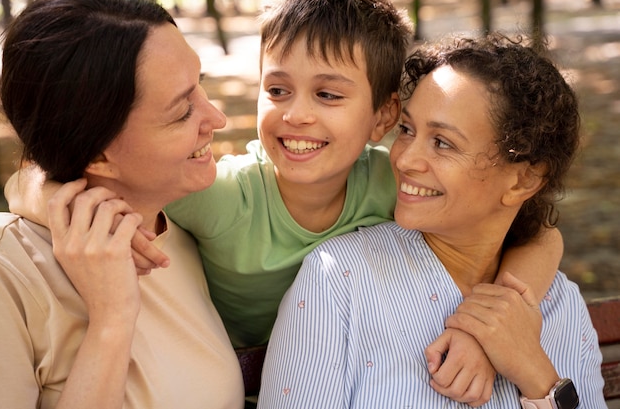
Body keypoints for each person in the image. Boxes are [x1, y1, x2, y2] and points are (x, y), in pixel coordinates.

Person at [5, 0, 564, 403]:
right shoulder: (221, 199)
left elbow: (536, 230)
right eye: (276, 90)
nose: (294, 113)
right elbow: (71, 165)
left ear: (383, 116)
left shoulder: (397, 181)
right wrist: (48, 193)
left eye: (327, 94)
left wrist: (490, 321)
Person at [257, 33, 606, 408]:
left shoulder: (560, 304)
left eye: (442, 143)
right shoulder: (339, 281)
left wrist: (537, 375)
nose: (405, 160)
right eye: (407, 130)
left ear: (523, 179)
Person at [0, 0, 243, 408]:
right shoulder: (8, 280)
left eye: (200, 88)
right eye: (182, 112)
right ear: (96, 153)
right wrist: (111, 319)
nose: (216, 119)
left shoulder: (183, 224)